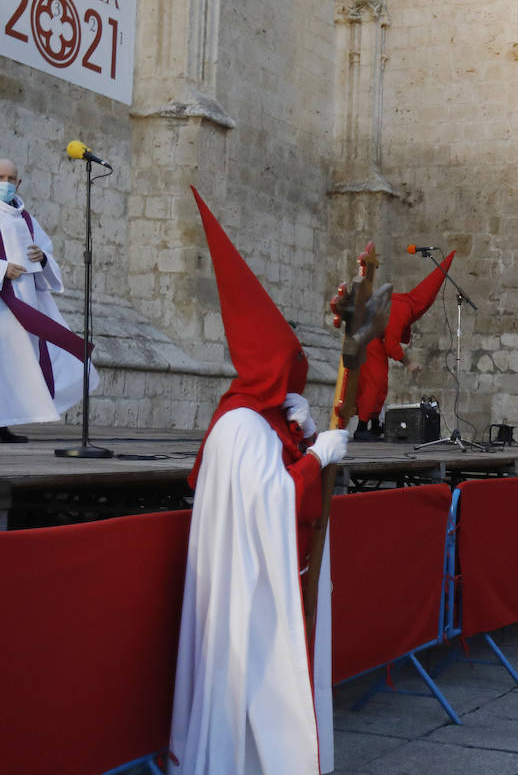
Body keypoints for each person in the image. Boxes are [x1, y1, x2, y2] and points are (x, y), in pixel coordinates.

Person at [170, 189, 348, 774]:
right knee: (249, 699)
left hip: (270, 579)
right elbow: (274, 502)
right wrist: (318, 457)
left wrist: (305, 436)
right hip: (247, 593)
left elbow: (279, 480)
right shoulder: (242, 425)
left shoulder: (263, 418)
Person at [0, 157, 97, 442]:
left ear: (19, 183)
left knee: (15, 367)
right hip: (4, 304)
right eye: (0, 177)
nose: (5, 184)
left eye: (10, 179)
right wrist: (3, 268)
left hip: (26, 304)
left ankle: (4, 423)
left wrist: (42, 260)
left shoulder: (27, 218)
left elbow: (46, 252)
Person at [353, 251, 455, 441]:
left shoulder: (405, 304)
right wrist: (408, 363)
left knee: (380, 383)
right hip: (368, 339)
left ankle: (374, 424)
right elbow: (391, 344)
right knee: (374, 382)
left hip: (371, 337)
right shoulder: (403, 309)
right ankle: (361, 428)